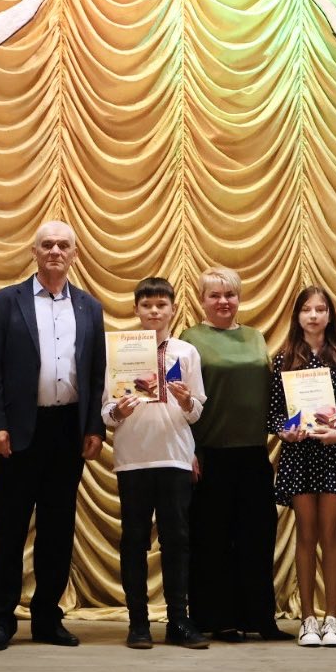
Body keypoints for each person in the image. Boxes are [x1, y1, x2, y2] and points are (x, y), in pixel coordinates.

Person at [0, 220, 106, 652]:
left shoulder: (90, 307)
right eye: (47, 244)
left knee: (57, 530)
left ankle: (48, 619)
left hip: (67, 430)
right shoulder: (5, 302)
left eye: (63, 245)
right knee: (9, 530)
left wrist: (94, 427)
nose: (55, 251)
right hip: (16, 432)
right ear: (34, 252)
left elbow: (96, 374)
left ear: (74, 254)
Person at [180, 267, 293, 641]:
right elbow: (183, 401)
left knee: (257, 538)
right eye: (214, 295)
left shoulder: (256, 337)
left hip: (253, 453)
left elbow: (271, 393)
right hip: (209, 453)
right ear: (202, 300)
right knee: (212, 540)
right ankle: (218, 618)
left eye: (230, 294)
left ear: (239, 297)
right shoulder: (189, 340)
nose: (223, 301)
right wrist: (189, 450)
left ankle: (260, 618)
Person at [102, 277, 210, 650]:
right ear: (135, 309)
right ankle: (138, 624)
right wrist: (118, 410)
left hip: (175, 457)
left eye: (161, 305)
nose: (154, 311)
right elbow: (105, 413)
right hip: (132, 460)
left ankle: (178, 621)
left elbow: (197, 411)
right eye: (146, 305)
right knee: (134, 541)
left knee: (176, 541)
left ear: (173, 309)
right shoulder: (118, 351)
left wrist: (186, 401)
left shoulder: (187, 352)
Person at [268, 286, 336, 648]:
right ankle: (308, 619)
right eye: (307, 309)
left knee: (331, 535)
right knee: (305, 535)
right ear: (297, 316)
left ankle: (333, 619)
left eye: (320, 309)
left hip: (334, 456)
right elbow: (273, 414)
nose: (313, 315)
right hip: (299, 456)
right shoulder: (283, 360)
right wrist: (284, 431)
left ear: (329, 315)